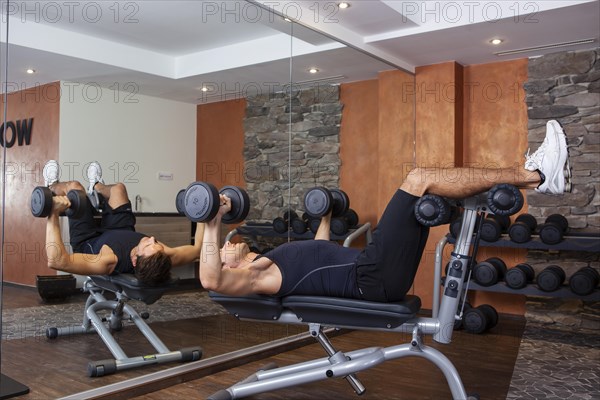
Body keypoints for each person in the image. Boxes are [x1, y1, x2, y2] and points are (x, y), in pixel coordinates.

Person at [200, 120, 571, 302]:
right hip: (370, 276)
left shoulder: (267, 261)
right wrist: (213, 222)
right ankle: (536, 175)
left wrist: (326, 215)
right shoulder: (253, 277)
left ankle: (531, 177)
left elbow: (319, 251)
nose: (234, 242)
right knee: (419, 177)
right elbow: (210, 280)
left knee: (427, 191)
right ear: (229, 265)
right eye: (226, 251)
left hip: (373, 271)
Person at [43, 161, 204, 286]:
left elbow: (56, 261)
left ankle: (51, 186)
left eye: (149, 245)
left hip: (88, 240)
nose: (153, 239)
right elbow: (197, 250)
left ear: (135, 260)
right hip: (119, 229)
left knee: (75, 188)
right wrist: (205, 214)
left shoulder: (108, 261)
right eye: (156, 243)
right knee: (118, 189)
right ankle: (96, 187)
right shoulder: (163, 256)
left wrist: (53, 213)